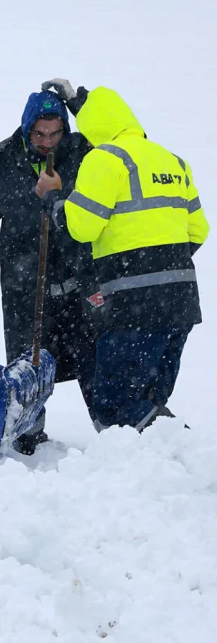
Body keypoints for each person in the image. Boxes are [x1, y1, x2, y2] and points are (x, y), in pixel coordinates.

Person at [0, 83, 97, 454]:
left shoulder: (84, 153)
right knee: (27, 361)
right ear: (25, 128)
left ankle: (113, 434)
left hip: (78, 274)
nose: (48, 142)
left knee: (94, 356)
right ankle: (28, 436)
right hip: (23, 278)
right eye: (39, 134)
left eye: (56, 133)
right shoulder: (1, 161)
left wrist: (81, 104)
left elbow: (130, 144)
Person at [59, 86, 207, 431]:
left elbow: (82, 228)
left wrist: (58, 199)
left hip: (133, 304)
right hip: (181, 302)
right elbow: (198, 230)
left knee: (115, 405)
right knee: (149, 398)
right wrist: (165, 265)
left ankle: (178, 452)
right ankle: (169, 467)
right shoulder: (172, 160)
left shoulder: (104, 158)